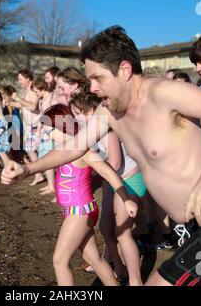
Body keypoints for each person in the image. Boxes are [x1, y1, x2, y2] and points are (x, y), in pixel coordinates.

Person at [2, 25, 201, 286]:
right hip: (196, 227)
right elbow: (75, 146)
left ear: (124, 70)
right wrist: (28, 169)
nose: (91, 88)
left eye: (97, 78)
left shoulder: (163, 93)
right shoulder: (109, 113)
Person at [42, 103, 138, 286]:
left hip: (80, 211)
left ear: (62, 128)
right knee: (95, 259)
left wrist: (126, 200)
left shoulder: (83, 150)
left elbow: (110, 173)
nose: (45, 136)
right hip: (74, 211)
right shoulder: (63, 150)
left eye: (48, 132)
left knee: (59, 261)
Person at [12, 69, 44, 186]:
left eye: (20, 79)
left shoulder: (33, 90)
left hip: (35, 126)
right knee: (30, 150)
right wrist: (10, 103)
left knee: (36, 151)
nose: (19, 81)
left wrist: (17, 98)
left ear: (28, 79)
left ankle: (40, 174)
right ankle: (39, 174)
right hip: (29, 127)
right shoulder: (26, 91)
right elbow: (22, 105)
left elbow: (33, 107)